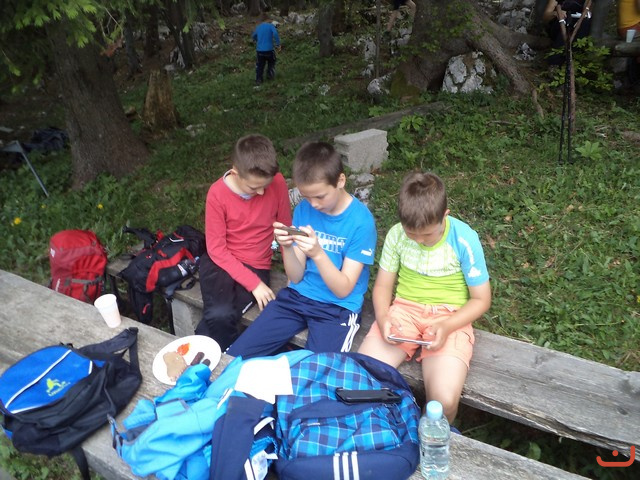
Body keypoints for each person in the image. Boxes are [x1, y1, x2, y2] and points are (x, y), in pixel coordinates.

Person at [357, 172, 491, 423]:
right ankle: (378, 431)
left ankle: (429, 439)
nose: (419, 240)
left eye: (427, 235)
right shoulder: (397, 234)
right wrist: (384, 318)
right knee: (360, 378)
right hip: (404, 312)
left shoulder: (464, 239)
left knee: (443, 402)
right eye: (412, 234)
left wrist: (447, 326)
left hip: (451, 316)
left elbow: (481, 299)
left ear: (445, 215)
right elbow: (383, 286)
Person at [226, 142, 377, 358]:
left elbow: (343, 290)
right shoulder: (304, 210)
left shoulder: (361, 222)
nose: (313, 204)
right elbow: (295, 277)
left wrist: (318, 254)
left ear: (340, 181)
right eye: (307, 196)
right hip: (297, 297)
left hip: (337, 309)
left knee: (318, 372)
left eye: (320, 196)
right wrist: (287, 247)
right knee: (236, 356)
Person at [195, 134, 292, 351]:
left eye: (265, 186)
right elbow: (217, 249)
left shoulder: (277, 182)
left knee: (213, 324)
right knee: (219, 314)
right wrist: (254, 284)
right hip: (220, 262)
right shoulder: (217, 194)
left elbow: (285, 230)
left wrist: (291, 275)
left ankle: (222, 360)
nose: (261, 192)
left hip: (256, 263)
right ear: (235, 172)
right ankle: (233, 359)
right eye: (253, 187)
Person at [542, 0, 592, 65]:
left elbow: (587, 11)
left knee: (584, 25)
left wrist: (584, 16)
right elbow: (546, 16)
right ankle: (555, 62)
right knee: (563, 29)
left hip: (576, 24)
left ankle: (574, 60)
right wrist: (556, 13)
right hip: (559, 23)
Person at [252, 12, 281, 85]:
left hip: (260, 51)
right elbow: (275, 34)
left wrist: (256, 40)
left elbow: (254, 35)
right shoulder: (271, 26)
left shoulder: (258, 27)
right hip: (269, 50)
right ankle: (270, 76)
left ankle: (259, 80)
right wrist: (278, 44)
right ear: (268, 19)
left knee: (260, 66)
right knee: (271, 62)